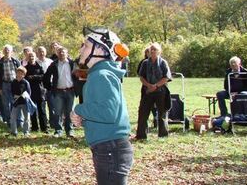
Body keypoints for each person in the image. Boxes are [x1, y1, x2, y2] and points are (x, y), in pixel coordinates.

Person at [71, 27, 133, 185]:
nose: (81, 48)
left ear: (99, 48)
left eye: (85, 45)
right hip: (110, 147)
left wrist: (79, 109)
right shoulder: (101, 74)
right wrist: (84, 120)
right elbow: (107, 113)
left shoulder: (101, 75)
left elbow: (108, 113)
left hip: (110, 149)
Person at [135, 42, 172, 140]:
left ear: (159, 51)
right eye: (151, 50)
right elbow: (141, 77)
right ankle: (141, 135)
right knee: (143, 112)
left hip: (160, 91)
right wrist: (148, 85)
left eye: (155, 50)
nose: (153, 51)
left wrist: (155, 86)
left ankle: (162, 134)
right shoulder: (145, 63)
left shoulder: (163, 62)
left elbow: (166, 77)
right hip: (147, 91)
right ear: (148, 52)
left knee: (161, 114)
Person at [44, 46, 78, 138]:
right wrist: (50, 88)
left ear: (67, 54)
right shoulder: (53, 64)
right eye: (60, 52)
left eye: (63, 52)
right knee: (57, 112)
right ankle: (58, 130)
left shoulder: (72, 63)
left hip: (70, 91)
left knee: (69, 112)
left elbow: (78, 75)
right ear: (57, 54)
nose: (61, 54)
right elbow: (46, 76)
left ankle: (69, 130)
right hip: (58, 92)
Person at [25, 47, 49, 133]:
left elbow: (43, 77)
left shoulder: (40, 67)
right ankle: (34, 127)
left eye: (33, 56)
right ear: (28, 58)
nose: (31, 58)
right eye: (30, 56)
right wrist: (33, 78)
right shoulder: (25, 68)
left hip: (40, 91)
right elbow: (25, 78)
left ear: (35, 57)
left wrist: (33, 77)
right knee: (32, 110)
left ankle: (44, 127)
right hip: (30, 91)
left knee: (42, 110)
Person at [0, 45, 21, 124]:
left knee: (16, 102)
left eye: (8, 50)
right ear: (3, 52)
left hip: (14, 84)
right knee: (6, 104)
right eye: (5, 50)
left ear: (11, 51)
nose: (7, 51)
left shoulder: (16, 61)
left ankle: (18, 121)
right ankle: (9, 121)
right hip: (4, 84)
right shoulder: (0, 63)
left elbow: (21, 73)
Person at [10, 66, 32, 136]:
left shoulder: (26, 82)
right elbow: (12, 92)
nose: (19, 75)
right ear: (16, 73)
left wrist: (23, 96)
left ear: (24, 75)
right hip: (16, 102)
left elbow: (29, 93)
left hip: (25, 102)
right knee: (13, 117)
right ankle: (14, 132)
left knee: (26, 118)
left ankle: (26, 132)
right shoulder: (13, 82)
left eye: (21, 73)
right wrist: (14, 96)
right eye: (18, 73)